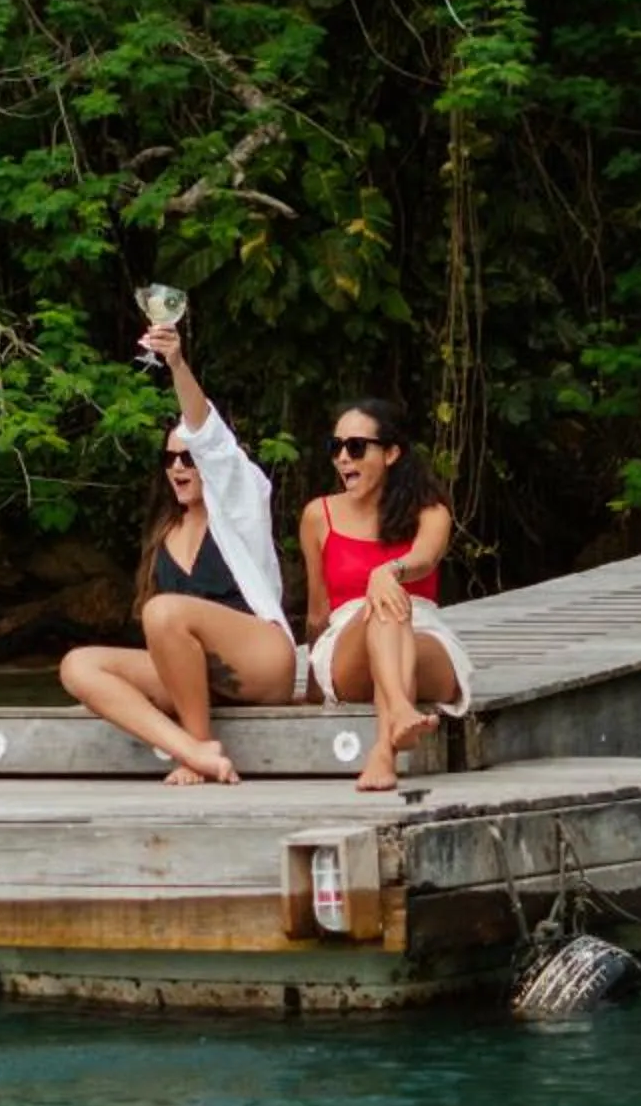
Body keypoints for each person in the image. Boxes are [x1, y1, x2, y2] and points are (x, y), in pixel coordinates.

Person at [58, 321, 295, 784]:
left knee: (164, 610)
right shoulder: (165, 529)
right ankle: (189, 748)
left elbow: (211, 437)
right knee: (78, 665)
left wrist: (177, 364)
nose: (179, 468)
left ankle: (199, 748)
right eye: (170, 460)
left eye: (189, 459)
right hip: (194, 679)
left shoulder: (240, 504)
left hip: (260, 661)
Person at [298, 397, 472, 794]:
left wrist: (388, 572)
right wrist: (310, 689)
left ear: (391, 453)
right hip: (349, 643)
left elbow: (425, 560)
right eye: (335, 447)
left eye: (356, 447)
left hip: (421, 629)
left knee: (391, 601)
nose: (343, 458)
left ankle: (392, 721)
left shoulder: (430, 510)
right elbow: (317, 610)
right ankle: (388, 738)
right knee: (384, 604)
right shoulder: (317, 515)